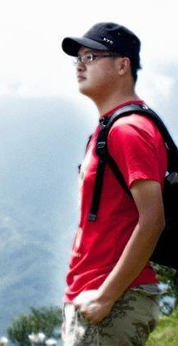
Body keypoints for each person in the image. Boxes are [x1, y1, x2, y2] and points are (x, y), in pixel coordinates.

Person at [60, 22, 166, 345]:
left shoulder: (128, 130)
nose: (80, 65)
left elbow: (153, 220)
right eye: (78, 58)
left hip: (113, 300)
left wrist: (104, 297)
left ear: (123, 65)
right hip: (93, 296)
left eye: (91, 57)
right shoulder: (107, 129)